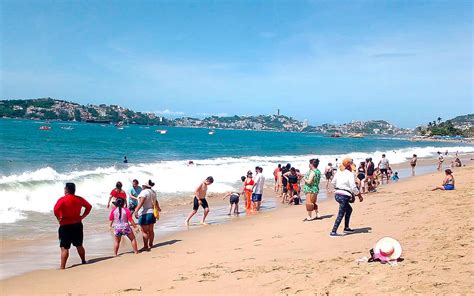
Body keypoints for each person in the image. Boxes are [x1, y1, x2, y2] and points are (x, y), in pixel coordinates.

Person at [53, 183, 92, 269]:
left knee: (64, 248)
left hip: (65, 226)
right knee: (79, 245)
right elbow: (89, 207)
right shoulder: (79, 199)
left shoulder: (62, 200)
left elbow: (55, 210)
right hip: (77, 224)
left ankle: (62, 267)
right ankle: (83, 261)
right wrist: (83, 216)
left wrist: (58, 218)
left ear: (66, 190)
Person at [330, 158, 363, 236]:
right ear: (348, 166)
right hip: (344, 196)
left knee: (349, 209)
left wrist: (339, 188)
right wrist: (359, 196)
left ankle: (346, 228)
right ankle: (333, 231)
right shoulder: (349, 174)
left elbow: (333, 182)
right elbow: (353, 187)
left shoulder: (338, 172)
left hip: (337, 194)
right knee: (341, 213)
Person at [134, 180, 160, 251]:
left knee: (144, 231)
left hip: (144, 213)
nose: (141, 187)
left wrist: (136, 210)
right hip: (152, 213)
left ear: (144, 186)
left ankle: (146, 246)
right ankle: (151, 244)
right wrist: (158, 208)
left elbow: (141, 202)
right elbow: (156, 201)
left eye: (142, 186)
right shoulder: (153, 192)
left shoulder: (144, 192)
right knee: (151, 230)